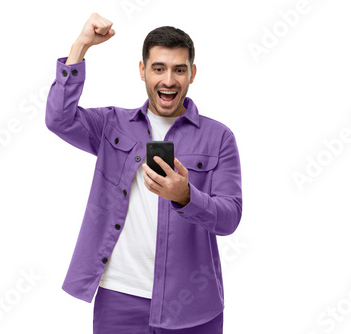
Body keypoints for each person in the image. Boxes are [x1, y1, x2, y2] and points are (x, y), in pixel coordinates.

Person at [45, 12, 242, 334]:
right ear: (142, 71)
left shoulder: (218, 137)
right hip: (119, 296)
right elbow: (59, 120)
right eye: (158, 68)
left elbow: (230, 218)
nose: (168, 80)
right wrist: (80, 46)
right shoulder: (112, 124)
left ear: (192, 74)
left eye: (179, 70)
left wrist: (187, 197)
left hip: (192, 304)